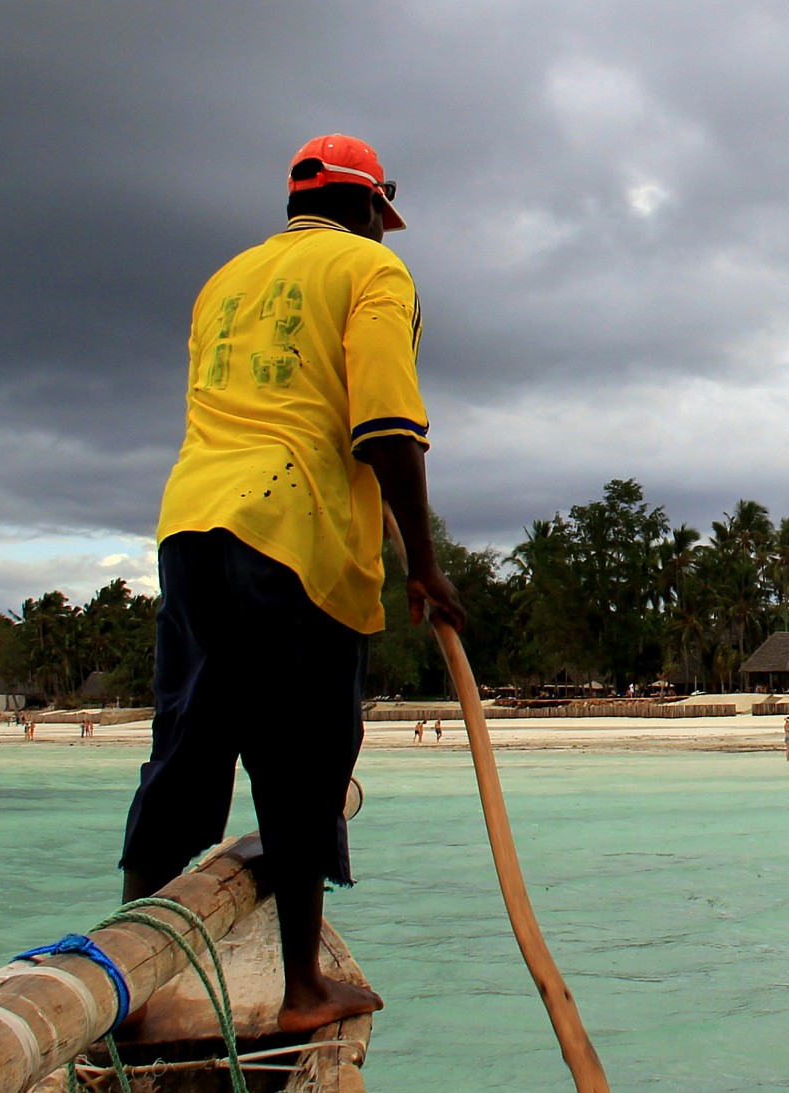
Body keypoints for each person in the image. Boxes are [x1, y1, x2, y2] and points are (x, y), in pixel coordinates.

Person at [120, 133, 462, 1036]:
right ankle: (303, 986)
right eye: (380, 220)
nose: (384, 235)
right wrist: (422, 565)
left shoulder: (221, 283)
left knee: (187, 743)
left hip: (190, 525)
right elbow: (387, 420)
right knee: (304, 755)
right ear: (365, 210)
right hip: (292, 529)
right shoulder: (372, 274)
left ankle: (127, 977)